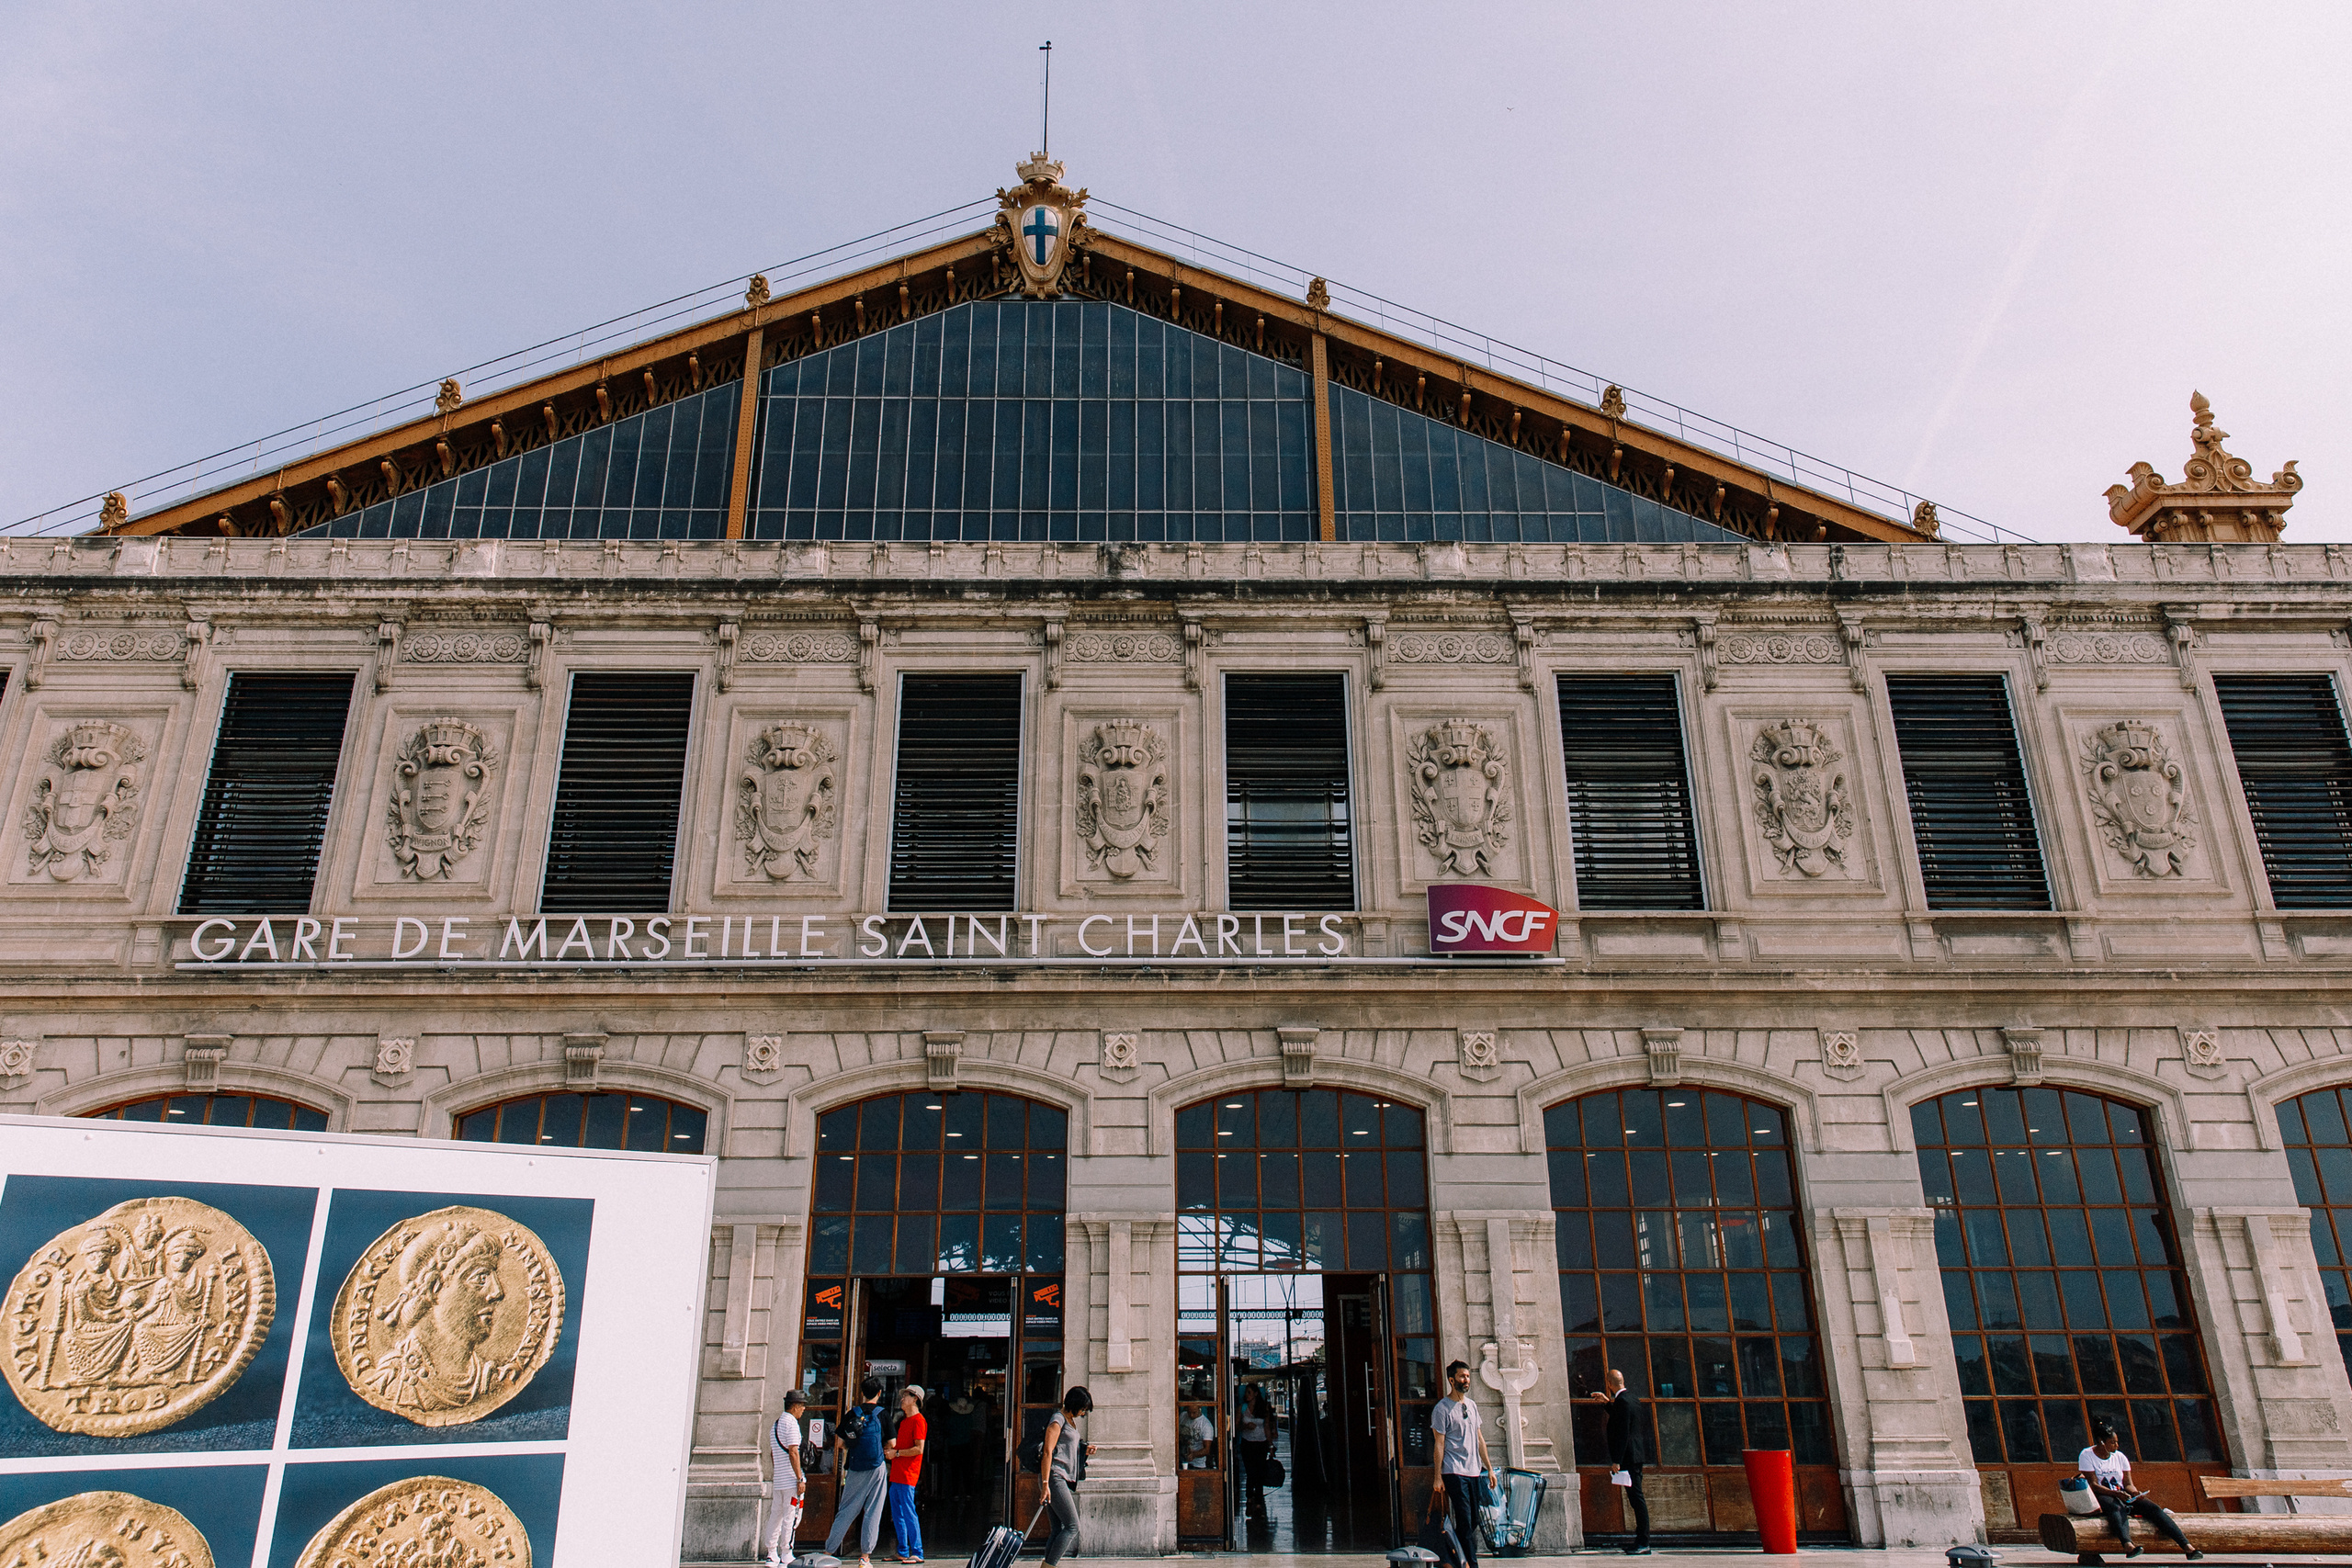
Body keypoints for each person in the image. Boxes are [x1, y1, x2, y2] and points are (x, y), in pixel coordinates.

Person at [2081, 1421, 2202, 1560]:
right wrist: (2116, 1494)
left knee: (2154, 1509)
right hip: (2103, 1495)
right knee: (2116, 1508)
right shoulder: (2087, 1455)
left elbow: (2128, 1483)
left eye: (2117, 1442)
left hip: (2122, 1494)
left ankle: (2187, 1547)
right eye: (2112, 1442)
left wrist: (2134, 1492)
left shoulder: (2120, 1457)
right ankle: (2128, 1545)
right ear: (2101, 1442)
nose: (2116, 1445)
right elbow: (2094, 1484)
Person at [1430, 1359, 1493, 1568]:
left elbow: (1480, 1439)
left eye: (1467, 1376)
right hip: (1454, 1471)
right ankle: (1471, 1565)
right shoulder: (1442, 1409)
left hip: (1474, 1471)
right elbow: (1439, 1444)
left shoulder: (1472, 1405)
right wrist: (1438, 1477)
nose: (1466, 1380)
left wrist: (1490, 1469)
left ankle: (1449, 1558)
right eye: (1462, 1377)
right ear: (1451, 1380)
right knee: (1465, 1521)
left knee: (1473, 1521)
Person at [826, 1374, 890, 1568]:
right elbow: (892, 1444)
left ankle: (828, 1551)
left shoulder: (852, 1413)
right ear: (879, 1393)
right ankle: (865, 1558)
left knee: (846, 1511)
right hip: (877, 1468)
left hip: (855, 1468)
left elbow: (839, 1443)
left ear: (862, 1393)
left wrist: (852, 1446)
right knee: (873, 1511)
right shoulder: (883, 1414)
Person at [1590, 1368, 1650, 1555]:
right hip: (1635, 1456)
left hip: (1628, 1458)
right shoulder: (1631, 1398)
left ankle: (1643, 1543)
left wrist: (1616, 1460)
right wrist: (1607, 1403)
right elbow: (1621, 1417)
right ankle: (1641, 1541)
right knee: (1636, 1499)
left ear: (1609, 1384)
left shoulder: (1623, 1402)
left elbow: (1622, 1432)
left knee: (1637, 1499)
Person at [1039, 1386, 1095, 1568]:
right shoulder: (1058, 1420)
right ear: (1074, 1404)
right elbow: (1048, 1452)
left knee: (1057, 1529)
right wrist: (1046, 1484)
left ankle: (1047, 1566)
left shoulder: (1070, 1420)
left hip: (1059, 1477)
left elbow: (1066, 1448)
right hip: (1054, 1477)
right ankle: (1050, 1566)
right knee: (1072, 1526)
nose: (1083, 1412)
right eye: (1082, 1408)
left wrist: (1084, 1450)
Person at [884, 1382, 927, 1563]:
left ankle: (917, 1552)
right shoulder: (904, 1422)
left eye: (906, 1396)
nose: (902, 1399)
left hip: (908, 1474)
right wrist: (892, 1452)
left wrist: (897, 1453)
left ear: (915, 1398)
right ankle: (902, 1550)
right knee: (898, 1513)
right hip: (897, 1473)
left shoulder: (919, 1421)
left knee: (908, 1512)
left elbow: (919, 1449)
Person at [766, 1390, 808, 1567]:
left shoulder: (775, 1425)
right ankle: (786, 1552)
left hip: (779, 1480)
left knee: (775, 1515)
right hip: (791, 1480)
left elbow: (773, 1454)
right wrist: (799, 1478)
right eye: (803, 1405)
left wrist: (779, 1472)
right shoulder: (791, 1424)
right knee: (791, 1515)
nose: (804, 1409)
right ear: (796, 1406)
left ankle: (770, 1553)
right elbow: (793, 1452)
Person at [1237, 1386, 1274, 1512]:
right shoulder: (1242, 1408)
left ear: (1256, 1394)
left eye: (1250, 1392)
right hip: (1247, 1443)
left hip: (1261, 1443)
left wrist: (1270, 1445)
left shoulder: (1264, 1408)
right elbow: (1236, 1426)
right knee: (1250, 1471)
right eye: (1246, 1392)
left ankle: (1258, 1499)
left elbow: (1267, 1426)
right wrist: (1245, 1426)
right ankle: (1249, 1496)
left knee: (1260, 1471)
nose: (1247, 1395)